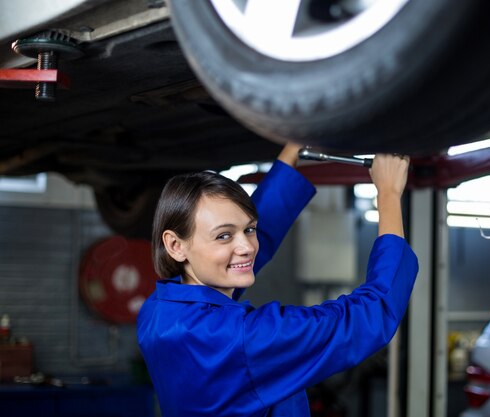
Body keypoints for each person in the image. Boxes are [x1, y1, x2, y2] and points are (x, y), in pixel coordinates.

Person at [136, 144, 418, 417]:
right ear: (175, 245)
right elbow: (368, 316)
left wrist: (290, 155)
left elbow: (242, 250)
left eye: (249, 229)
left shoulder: (158, 311)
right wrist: (389, 194)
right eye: (223, 235)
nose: (247, 246)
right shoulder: (246, 339)